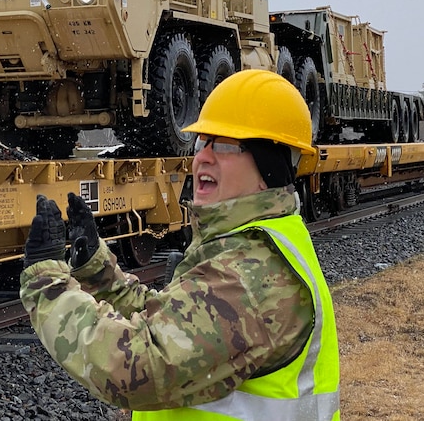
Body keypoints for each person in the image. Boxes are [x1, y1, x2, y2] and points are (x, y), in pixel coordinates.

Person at [20, 69, 340, 420]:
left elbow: (134, 370)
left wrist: (47, 283)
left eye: (225, 146)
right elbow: (179, 325)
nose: (202, 157)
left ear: (270, 169)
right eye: (203, 143)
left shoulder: (250, 276)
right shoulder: (247, 247)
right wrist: (99, 275)